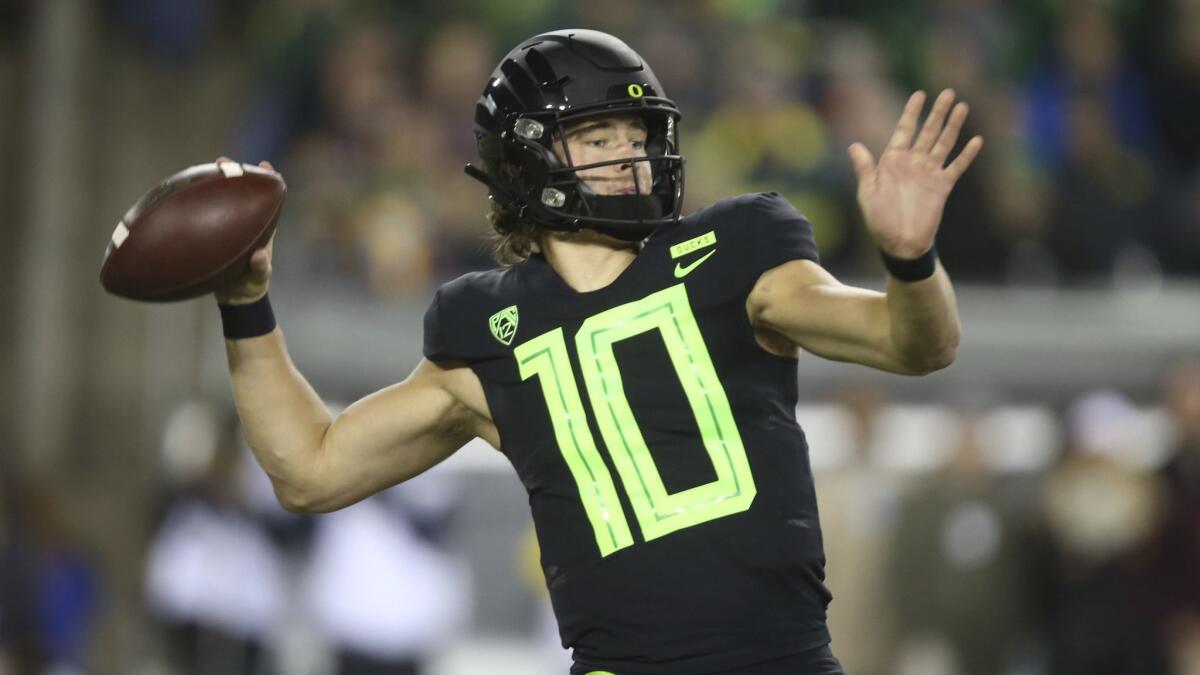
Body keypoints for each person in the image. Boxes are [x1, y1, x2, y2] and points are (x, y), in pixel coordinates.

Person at [214, 29, 980, 675]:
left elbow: (915, 343)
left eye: (638, 136)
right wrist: (246, 304)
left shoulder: (737, 255)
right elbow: (308, 469)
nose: (629, 155)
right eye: (597, 136)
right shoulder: (486, 330)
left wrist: (910, 261)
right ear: (527, 161)